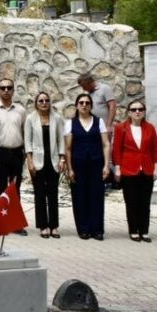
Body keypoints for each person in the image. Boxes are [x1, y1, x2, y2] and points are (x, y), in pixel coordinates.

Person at [112, 99, 157, 242]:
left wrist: (156, 168)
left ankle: (144, 231)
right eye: (133, 110)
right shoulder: (121, 128)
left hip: (146, 169)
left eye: (140, 109)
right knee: (131, 202)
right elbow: (117, 150)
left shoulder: (150, 128)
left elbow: (154, 149)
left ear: (144, 112)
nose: (137, 112)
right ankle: (133, 230)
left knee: (145, 202)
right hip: (128, 169)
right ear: (129, 113)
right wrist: (118, 168)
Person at [65, 92, 110, 239]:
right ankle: (83, 228)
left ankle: (97, 229)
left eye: (87, 103)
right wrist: (69, 168)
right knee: (79, 196)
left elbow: (105, 144)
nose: (84, 105)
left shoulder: (99, 122)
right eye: (81, 103)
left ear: (91, 106)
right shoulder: (70, 123)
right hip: (78, 164)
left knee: (97, 196)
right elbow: (68, 148)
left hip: (96, 164)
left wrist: (106, 165)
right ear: (77, 106)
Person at [24, 91, 67, 238]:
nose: (44, 103)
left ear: (50, 102)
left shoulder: (57, 118)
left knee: (53, 193)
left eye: (46, 100)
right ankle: (43, 226)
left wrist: (62, 159)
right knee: (40, 194)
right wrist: (29, 161)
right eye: (40, 101)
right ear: (36, 103)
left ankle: (53, 226)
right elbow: (27, 141)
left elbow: (62, 140)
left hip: (54, 160)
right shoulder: (30, 118)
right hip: (37, 161)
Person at [0, 80, 28, 230]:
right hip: (0, 153)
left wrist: (26, 153)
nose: (6, 90)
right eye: (3, 88)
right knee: (1, 188)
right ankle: (1, 221)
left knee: (15, 189)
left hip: (17, 153)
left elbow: (26, 132)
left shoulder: (20, 110)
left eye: (9, 88)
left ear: (13, 90)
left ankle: (15, 223)